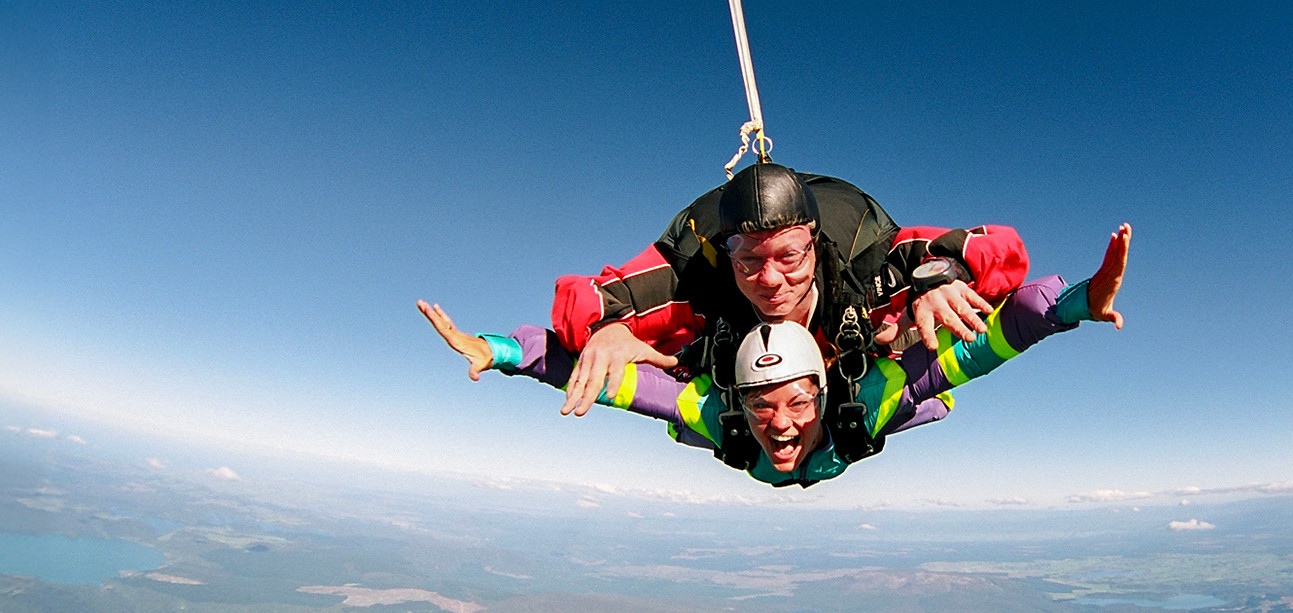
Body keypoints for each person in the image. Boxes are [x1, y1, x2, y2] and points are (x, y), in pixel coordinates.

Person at [416, 223, 1129, 487]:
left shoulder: (865, 399)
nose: (780, 423)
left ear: (822, 392)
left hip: (862, 380)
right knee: (651, 364)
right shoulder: (719, 413)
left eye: (793, 402)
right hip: (793, 393)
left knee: (926, 379)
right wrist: (497, 349)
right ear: (740, 403)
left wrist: (1077, 302)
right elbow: (591, 376)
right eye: (762, 406)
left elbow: (999, 338)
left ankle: (900, 332)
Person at [549, 163, 1089, 421]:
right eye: (749, 260)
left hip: (856, 364)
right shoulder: (697, 276)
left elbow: (998, 247)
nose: (770, 279)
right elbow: (582, 298)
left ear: (814, 244)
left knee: (907, 349)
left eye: (789, 256)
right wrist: (606, 330)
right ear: (727, 253)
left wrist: (941, 278)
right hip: (750, 401)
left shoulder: (866, 262)